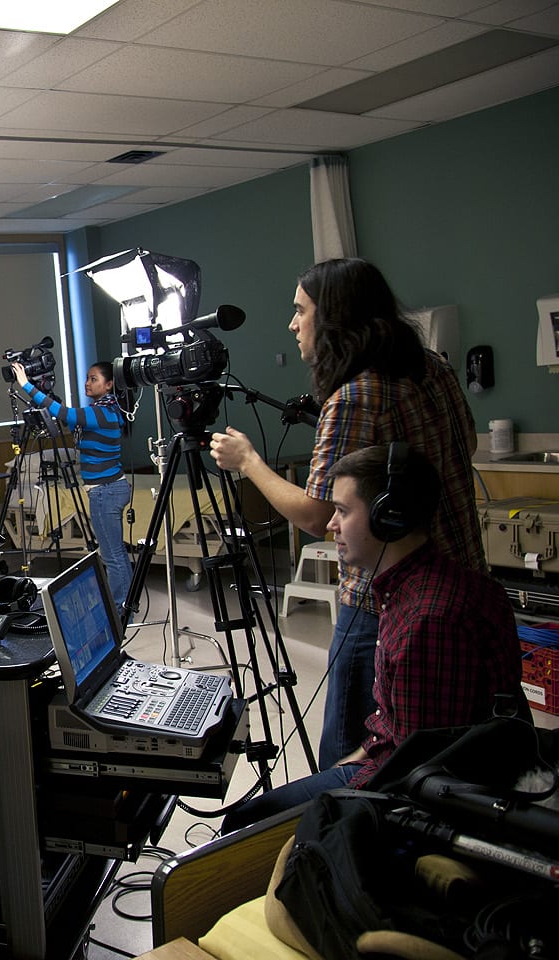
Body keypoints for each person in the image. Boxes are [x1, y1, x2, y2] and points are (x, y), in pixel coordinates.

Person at [208, 259, 483, 767]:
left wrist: (247, 462)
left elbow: (317, 516)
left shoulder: (355, 398)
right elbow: (467, 444)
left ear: (335, 316)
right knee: (442, 744)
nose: (292, 324)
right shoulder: (435, 368)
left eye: (301, 310)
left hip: (384, 601)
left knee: (354, 760)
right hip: (461, 583)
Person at [220, 445, 523, 832]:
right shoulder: (415, 587)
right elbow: (399, 728)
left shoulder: (428, 621)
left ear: (388, 517)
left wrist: (341, 793)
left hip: (421, 801)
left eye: (343, 511)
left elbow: (417, 775)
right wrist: (357, 757)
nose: (331, 524)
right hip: (404, 769)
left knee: (242, 826)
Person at [12, 360, 132, 608]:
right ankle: (124, 605)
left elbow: (66, 414)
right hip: (109, 489)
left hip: (105, 491)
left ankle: (121, 609)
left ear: (109, 385)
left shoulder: (102, 412)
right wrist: (45, 395)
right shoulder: (105, 410)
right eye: (87, 378)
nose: (87, 383)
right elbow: (68, 418)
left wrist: (26, 385)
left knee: (113, 557)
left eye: (94, 379)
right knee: (116, 554)